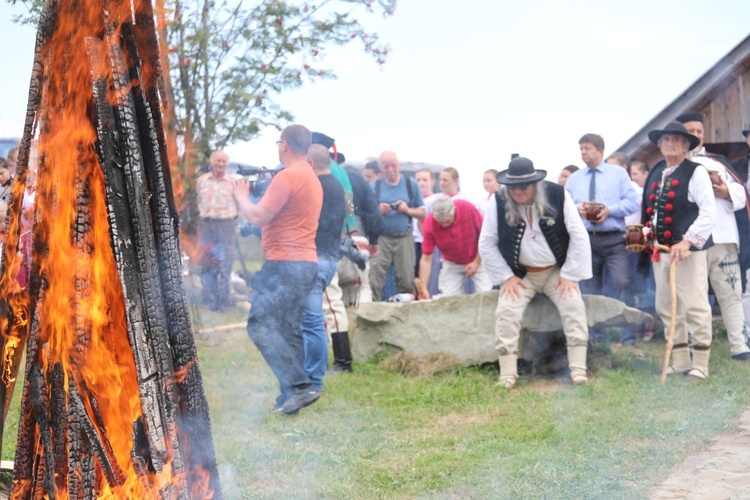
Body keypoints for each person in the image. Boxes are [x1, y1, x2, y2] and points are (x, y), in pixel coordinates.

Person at [233, 124, 323, 415]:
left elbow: (258, 216)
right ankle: (292, 396)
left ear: (284, 144)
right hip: (304, 262)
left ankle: (299, 387)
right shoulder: (309, 175)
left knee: (259, 325)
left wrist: (241, 196)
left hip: (285, 262)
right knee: (287, 328)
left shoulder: (289, 176)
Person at [479, 157, 591, 388]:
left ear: (535, 184)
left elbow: (579, 235)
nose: (518, 192)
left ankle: (578, 370)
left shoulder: (558, 194)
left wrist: (570, 274)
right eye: (513, 187)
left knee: (574, 307)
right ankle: (508, 375)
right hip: (521, 275)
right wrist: (505, 277)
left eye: (523, 186)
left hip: (556, 273)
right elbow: (486, 243)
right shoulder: (498, 201)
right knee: (506, 313)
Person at [640, 122, 716, 379]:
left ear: (686, 146)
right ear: (659, 145)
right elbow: (653, 212)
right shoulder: (658, 171)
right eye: (665, 139)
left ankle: (701, 364)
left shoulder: (696, 172)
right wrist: (646, 235)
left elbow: (709, 212)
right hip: (660, 252)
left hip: (687, 252)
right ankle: (682, 360)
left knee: (695, 304)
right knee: (666, 305)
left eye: (676, 139)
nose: (669, 143)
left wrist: (687, 242)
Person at [676, 112, 750, 361]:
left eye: (699, 130)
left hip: (724, 237)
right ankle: (690, 347)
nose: (696, 135)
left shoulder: (717, 161)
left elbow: (742, 191)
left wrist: (726, 190)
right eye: (690, 131)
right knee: (691, 297)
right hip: (692, 242)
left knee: (731, 294)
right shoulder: (674, 166)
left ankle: (740, 346)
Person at [565, 134, 639, 345]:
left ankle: (628, 336)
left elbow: (633, 202)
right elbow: (564, 204)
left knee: (622, 282)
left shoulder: (618, 175)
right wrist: (577, 208)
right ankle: (596, 335)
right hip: (585, 240)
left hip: (614, 239)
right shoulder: (575, 178)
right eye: (581, 149)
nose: (583, 153)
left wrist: (610, 210)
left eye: (587, 148)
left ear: (600, 150)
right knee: (589, 287)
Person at [301, 144, 346, 392]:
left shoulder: (318, 186)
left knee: (311, 322)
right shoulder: (336, 185)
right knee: (310, 320)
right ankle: (310, 376)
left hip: (316, 257)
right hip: (329, 256)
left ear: (311, 163)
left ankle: (313, 381)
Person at [369, 151, 425, 301]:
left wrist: (407, 210)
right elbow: (363, 213)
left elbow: (423, 213)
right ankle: (374, 311)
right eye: (386, 166)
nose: (390, 170)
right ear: (380, 168)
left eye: (393, 165)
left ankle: (407, 312)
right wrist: (378, 211)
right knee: (374, 278)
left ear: (398, 165)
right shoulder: (374, 187)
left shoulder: (410, 184)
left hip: (404, 238)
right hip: (381, 238)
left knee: (406, 279)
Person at [418, 196, 491, 298]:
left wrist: (476, 262)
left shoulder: (467, 208)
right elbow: (426, 259)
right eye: (440, 222)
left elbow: (485, 236)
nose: (444, 225)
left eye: (447, 221)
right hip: (452, 261)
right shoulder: (429, 224)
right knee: (449, 298)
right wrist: (424, 288)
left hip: (477, 256)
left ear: (454, 210)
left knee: (485, 294)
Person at [196, 150, 237, 311]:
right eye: (218, 161)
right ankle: (208, 301)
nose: (220, 164)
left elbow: (240, 204)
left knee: (225, 262)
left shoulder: (233, 182)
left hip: (226, 225)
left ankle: (225, 302)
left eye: (223, 161)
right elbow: (198, 200)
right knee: (206, 262)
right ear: (212, 163)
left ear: (227, 164)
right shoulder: (201, 181)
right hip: (206, 224)